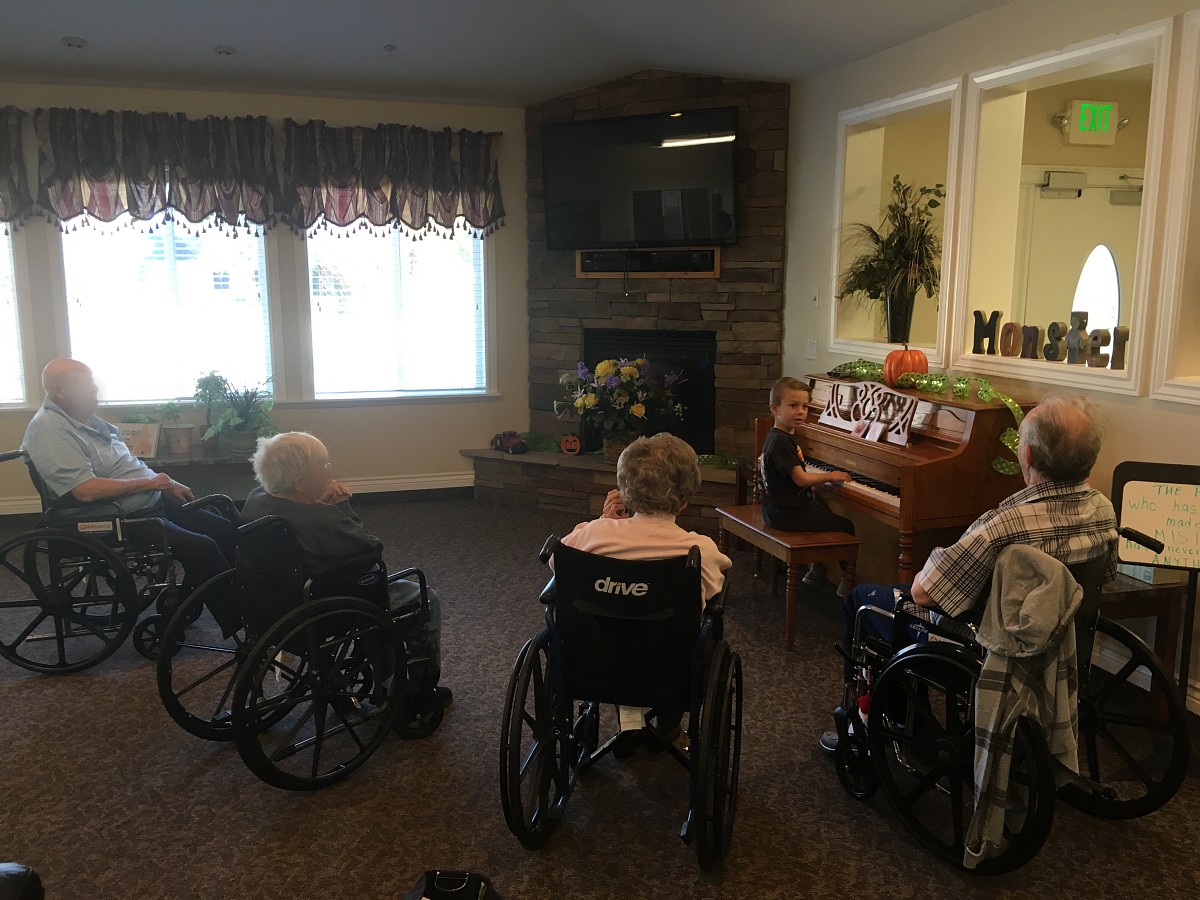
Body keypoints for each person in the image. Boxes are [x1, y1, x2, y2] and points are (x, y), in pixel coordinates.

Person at [820, 393, 1119, 754]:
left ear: (1027, 456)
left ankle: (899, 722)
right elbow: (1104, 578)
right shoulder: (1103, 509)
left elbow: (924, 593)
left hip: (987, 648)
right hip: (1064, 640)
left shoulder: (1006, 525)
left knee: (864, 601)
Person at [241, 431, 451, 706]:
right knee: (423, 596)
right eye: (323, 466)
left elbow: (302, 518)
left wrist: (316, 504)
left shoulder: (257, 500)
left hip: (272, 602)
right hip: (326, 603)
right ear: (301, 482)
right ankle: (420, 681)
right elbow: (370, 549)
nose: (329, 471)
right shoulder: (320, 519)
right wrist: (342, 506)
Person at [557, 433, 733, 750]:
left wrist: (603, 522)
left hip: (596, 660)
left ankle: (629, 723)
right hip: (668, 667)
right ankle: (666, 725)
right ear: (685, 499)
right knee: (666, 631)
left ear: (625, 492)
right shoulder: (698, 550)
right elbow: (711, 592)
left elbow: (561, 566)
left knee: (616, 625)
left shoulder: (594, 534)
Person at [21, 358, 236, 599]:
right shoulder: (50, 429)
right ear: (59, 390)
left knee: (224, 530)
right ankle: (240, 623)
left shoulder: (87, 420)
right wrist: (151, 483)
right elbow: (85, 490)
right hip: (115, 517)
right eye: (85, 383)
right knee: (203, 548)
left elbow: (127, 465)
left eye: (92, 381)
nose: (94, 388)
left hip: (151, 502)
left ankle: (199, 600)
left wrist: (165, 482)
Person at [757, 376, 855, 596]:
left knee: (822, 507)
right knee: (846, 525)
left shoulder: (778, 435)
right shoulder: (782, 442)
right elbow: (801, 479)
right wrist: (830, 475)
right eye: (793, 406)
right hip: (785, 515)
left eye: (805, 406)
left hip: (776, 509)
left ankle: (816, 568)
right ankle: (846, 583)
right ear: (775, 408)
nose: (800, 411)